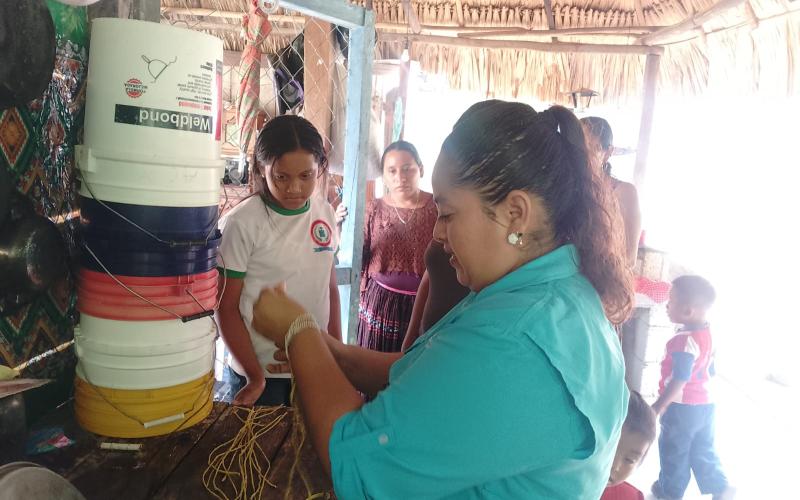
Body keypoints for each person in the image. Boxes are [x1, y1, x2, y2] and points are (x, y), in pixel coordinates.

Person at [250, 100, 633, 498]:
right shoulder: (548, 295)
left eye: (448, 215)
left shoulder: (513, 339)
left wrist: (298, 332)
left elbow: (357, 466)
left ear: (515, 212)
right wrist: (328, 348)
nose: (436, 233)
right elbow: (426, 375)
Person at [216, 115, 341, 407]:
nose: (294, 188)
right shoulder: (242, 223)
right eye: (281, 177)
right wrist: (254, 376)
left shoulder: (325, 213)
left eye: (306, 176)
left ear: (319, 167)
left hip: (315, 364)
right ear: (261, 168)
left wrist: (336, 353)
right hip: (262, 374)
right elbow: (226, 306)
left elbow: (330, 289)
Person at [651, 275, 735, 500]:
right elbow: (711, 368)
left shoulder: (682, 341)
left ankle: (669, 493)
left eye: (671, 300)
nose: (667, 305)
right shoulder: (709, 333)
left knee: (674, 452)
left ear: (687, 311)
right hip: (706, 405)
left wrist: (658, 406)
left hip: (682, 408)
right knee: (702, 448)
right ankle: (720, 487)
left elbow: (680, 378)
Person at [357, 141, 437, 352]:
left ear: (420, 169)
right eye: (391, 171)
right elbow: (360, 254)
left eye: (407, 169)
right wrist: (339, 229)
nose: (400, 177)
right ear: (383, 176)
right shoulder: (373, 209)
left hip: (424, 305)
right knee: (373, 367)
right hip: (380, 305)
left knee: (414, 367)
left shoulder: (438, 209)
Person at [580, 117, 641, 267]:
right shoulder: (567, 187)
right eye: (578, 149)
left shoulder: (624, 192)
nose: (582, 157)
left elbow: (629, 258)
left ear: (608, 152)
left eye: (591, 149)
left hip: (602, 283)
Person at [400, 240, 470, 351]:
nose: (437, 231)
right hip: (426, 337)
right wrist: (410, 335)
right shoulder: (444, 229)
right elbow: (427, 280)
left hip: (458, 342)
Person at [601, 391, 657, 500]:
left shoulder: (632, 497)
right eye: (609, 450)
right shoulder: (561, 484)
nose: (615, 466)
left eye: (629, 460)